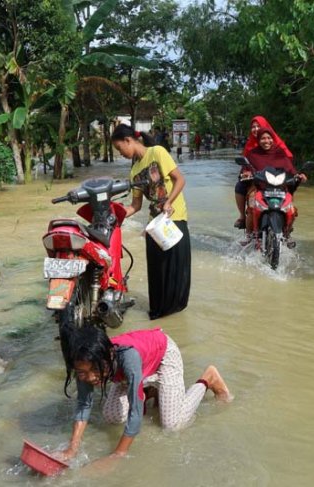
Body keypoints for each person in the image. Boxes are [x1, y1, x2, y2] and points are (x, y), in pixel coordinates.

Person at [56, 326, 232, 466]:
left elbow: (136, 411)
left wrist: (118, 454)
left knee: (172, 425)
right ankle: (151, 389)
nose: (91, 377)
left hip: (163, 355)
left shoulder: (127, 357)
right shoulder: (83, 363)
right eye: (82, 373)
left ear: (109, 356)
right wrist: (72, 449)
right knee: (111, 416)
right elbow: (84, 405)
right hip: (136, 369)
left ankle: (208, 379)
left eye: (96, 370)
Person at [111, 123, 190, 320]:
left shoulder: (157, 152)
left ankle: (174, 318)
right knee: (156, 273)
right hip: (154, 225)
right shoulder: (134, 171)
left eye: (120, 148)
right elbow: (135, 205)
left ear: (129, 141)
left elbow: (180, 179)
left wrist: (169, 202)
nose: (121, 154)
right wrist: (115, 215)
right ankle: (158, 316)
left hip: (174, 219)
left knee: (175, 273)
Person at [234, 116, 293, 229]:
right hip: (256, 181)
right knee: (241, 188)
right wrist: (246, 173)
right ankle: (243, 217)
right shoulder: (250, 148)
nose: (255, 129)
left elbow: (288, 162)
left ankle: (287, 227)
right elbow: (245, 164)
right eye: (253, 127)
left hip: (276, 181)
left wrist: (296, 174)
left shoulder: (278, 148)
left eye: (258, 126)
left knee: (290, 199)